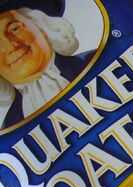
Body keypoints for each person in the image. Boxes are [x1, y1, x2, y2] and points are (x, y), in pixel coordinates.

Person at [0, 0, 96, 130]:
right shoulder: (11, 126)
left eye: (15, 28)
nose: (11, 46)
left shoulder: (96, 60)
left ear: (39, 24)